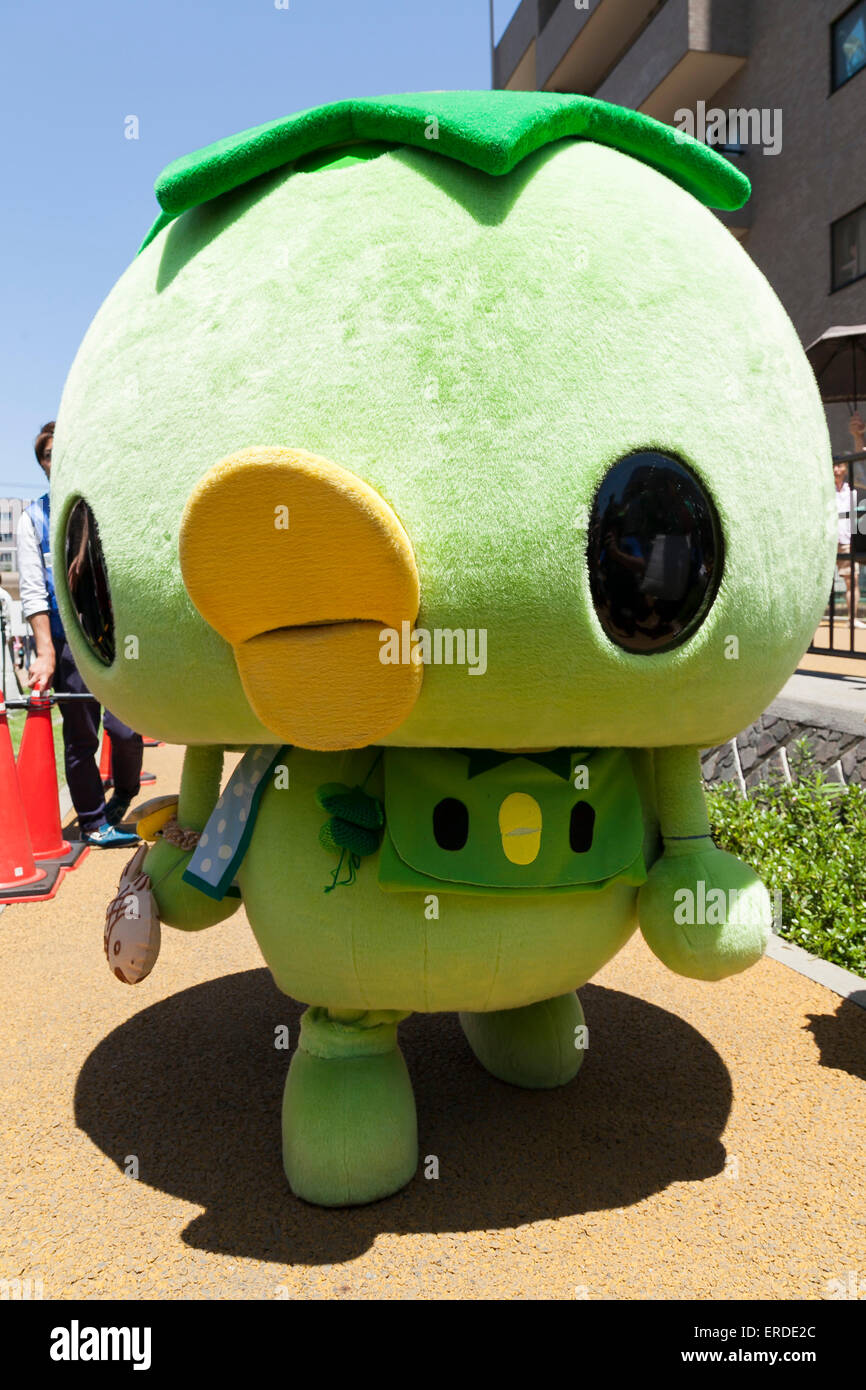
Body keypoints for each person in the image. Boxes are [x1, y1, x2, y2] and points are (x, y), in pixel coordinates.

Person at [17, 421, 141, 846]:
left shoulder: (103, 510)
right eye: (46, 455)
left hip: (112, 637)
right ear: (42, 466)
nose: (55, 460)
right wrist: (45, 651)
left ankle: (124, 792)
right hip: (68, 641)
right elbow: (33, 592)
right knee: (81, 734)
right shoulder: (33, 519)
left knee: (127, 730)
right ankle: (92, 821)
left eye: (61, 451)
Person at [833, 458, 866, 629]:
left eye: (840, 466)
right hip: (826, 543)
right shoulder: (825, 491)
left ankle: (851, 619)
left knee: (851, 580)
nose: (837, 470)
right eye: (834, 466)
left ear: (845, 468)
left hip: (847, 541)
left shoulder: (852, 490)